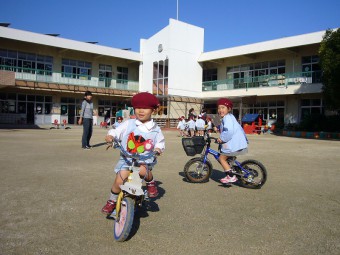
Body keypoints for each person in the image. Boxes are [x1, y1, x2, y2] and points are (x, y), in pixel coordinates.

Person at [101, 92, 165, 215]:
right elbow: (117, 131)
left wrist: (158, 149)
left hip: (144, 159)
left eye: (145, 108)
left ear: (152, 110)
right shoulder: (129, 124)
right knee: (119, 181)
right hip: (127, 158)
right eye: (138, 108)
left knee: (143, 169)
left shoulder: (155, 129)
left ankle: (150, 182)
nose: (141, 111)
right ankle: (112, 201)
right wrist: (110, 136)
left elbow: (160, 142)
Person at [216, 98, 248, 184]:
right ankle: (231, 169)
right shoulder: (230, 117)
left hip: (234, 144)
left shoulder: (227, 118)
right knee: (227, 157)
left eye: (223, 108)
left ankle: (230, 176)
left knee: (221, 158)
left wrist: (221, 139)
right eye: (219, 108)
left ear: (229, 109)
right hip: (237, 143)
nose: (220, 110)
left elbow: (229, 131)